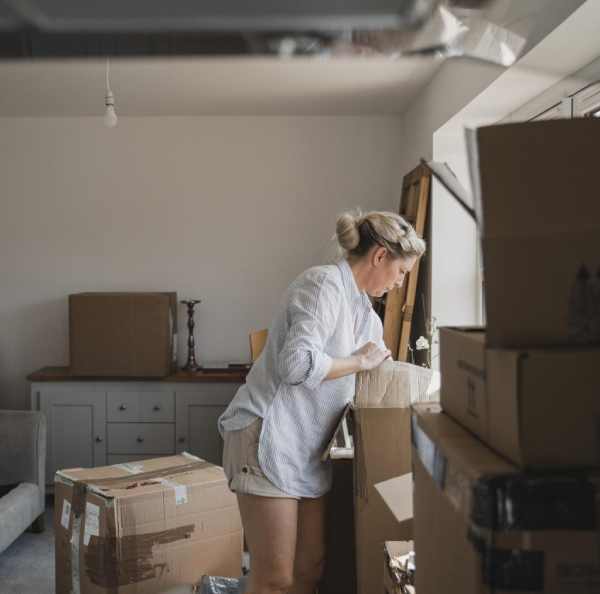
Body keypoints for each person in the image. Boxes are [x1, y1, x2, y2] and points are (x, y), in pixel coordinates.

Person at [217, 210, 426, 594]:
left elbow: (378, 374)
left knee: (309, 570)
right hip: (267, 435)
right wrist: (359, 361)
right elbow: (296, 364)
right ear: (380, 256)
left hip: (306, 446)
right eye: (400, 272)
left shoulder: (366, 314)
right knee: (274, 578)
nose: (399, 284)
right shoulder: (322, 285)